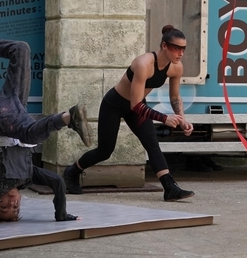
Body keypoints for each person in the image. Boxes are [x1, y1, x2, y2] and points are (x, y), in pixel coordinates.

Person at [0, 22, 92, 230]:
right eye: (15, 209)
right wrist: (61, 215)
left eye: (4, 208)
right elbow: (58, 183)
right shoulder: (26, 177)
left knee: (28, 134)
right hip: (15, 105)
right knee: (21, 49)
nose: (12, 204)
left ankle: (68, 118)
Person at [64, 25, 195, 201]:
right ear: (164, 45)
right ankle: (71, 172)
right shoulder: (144, 63)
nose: (180, 53)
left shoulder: (176, 68)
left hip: (138, 106)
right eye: (176, 48)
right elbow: (135, 105)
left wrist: (182, 120)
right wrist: (164, 118)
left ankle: (169, 187)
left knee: (151, 143)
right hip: (115, 105)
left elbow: (174, 96)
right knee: (105, 151)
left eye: (183, 49)